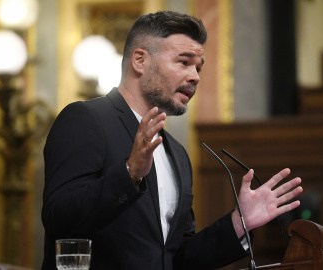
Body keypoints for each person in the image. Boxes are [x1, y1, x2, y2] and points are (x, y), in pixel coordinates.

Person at [41, 11, 303, 270]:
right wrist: (130, 173)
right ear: (140, 61)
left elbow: (175, 258)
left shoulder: (176, 153)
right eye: (184, 62)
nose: (195, 77)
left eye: (198, 67)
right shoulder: (86, 119)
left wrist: (239, 222)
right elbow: (60, 221)